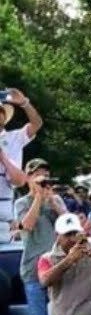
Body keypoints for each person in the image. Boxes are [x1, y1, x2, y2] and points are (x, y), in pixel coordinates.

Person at [14, 159, 67, 315]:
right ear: (28, 178)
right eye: (37, 175)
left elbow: (70, 224)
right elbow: (26, 226)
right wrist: (38, 197)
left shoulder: (55, 198)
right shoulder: (21, 203)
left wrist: (52, 201)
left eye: (45, 175)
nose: (42, 178)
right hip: (33, 270)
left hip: (58, 266)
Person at [0, 88, 43, 243]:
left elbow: (37, 124)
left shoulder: (14, 137)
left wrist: (24, 103)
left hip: (3, 213)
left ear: (4, 116)